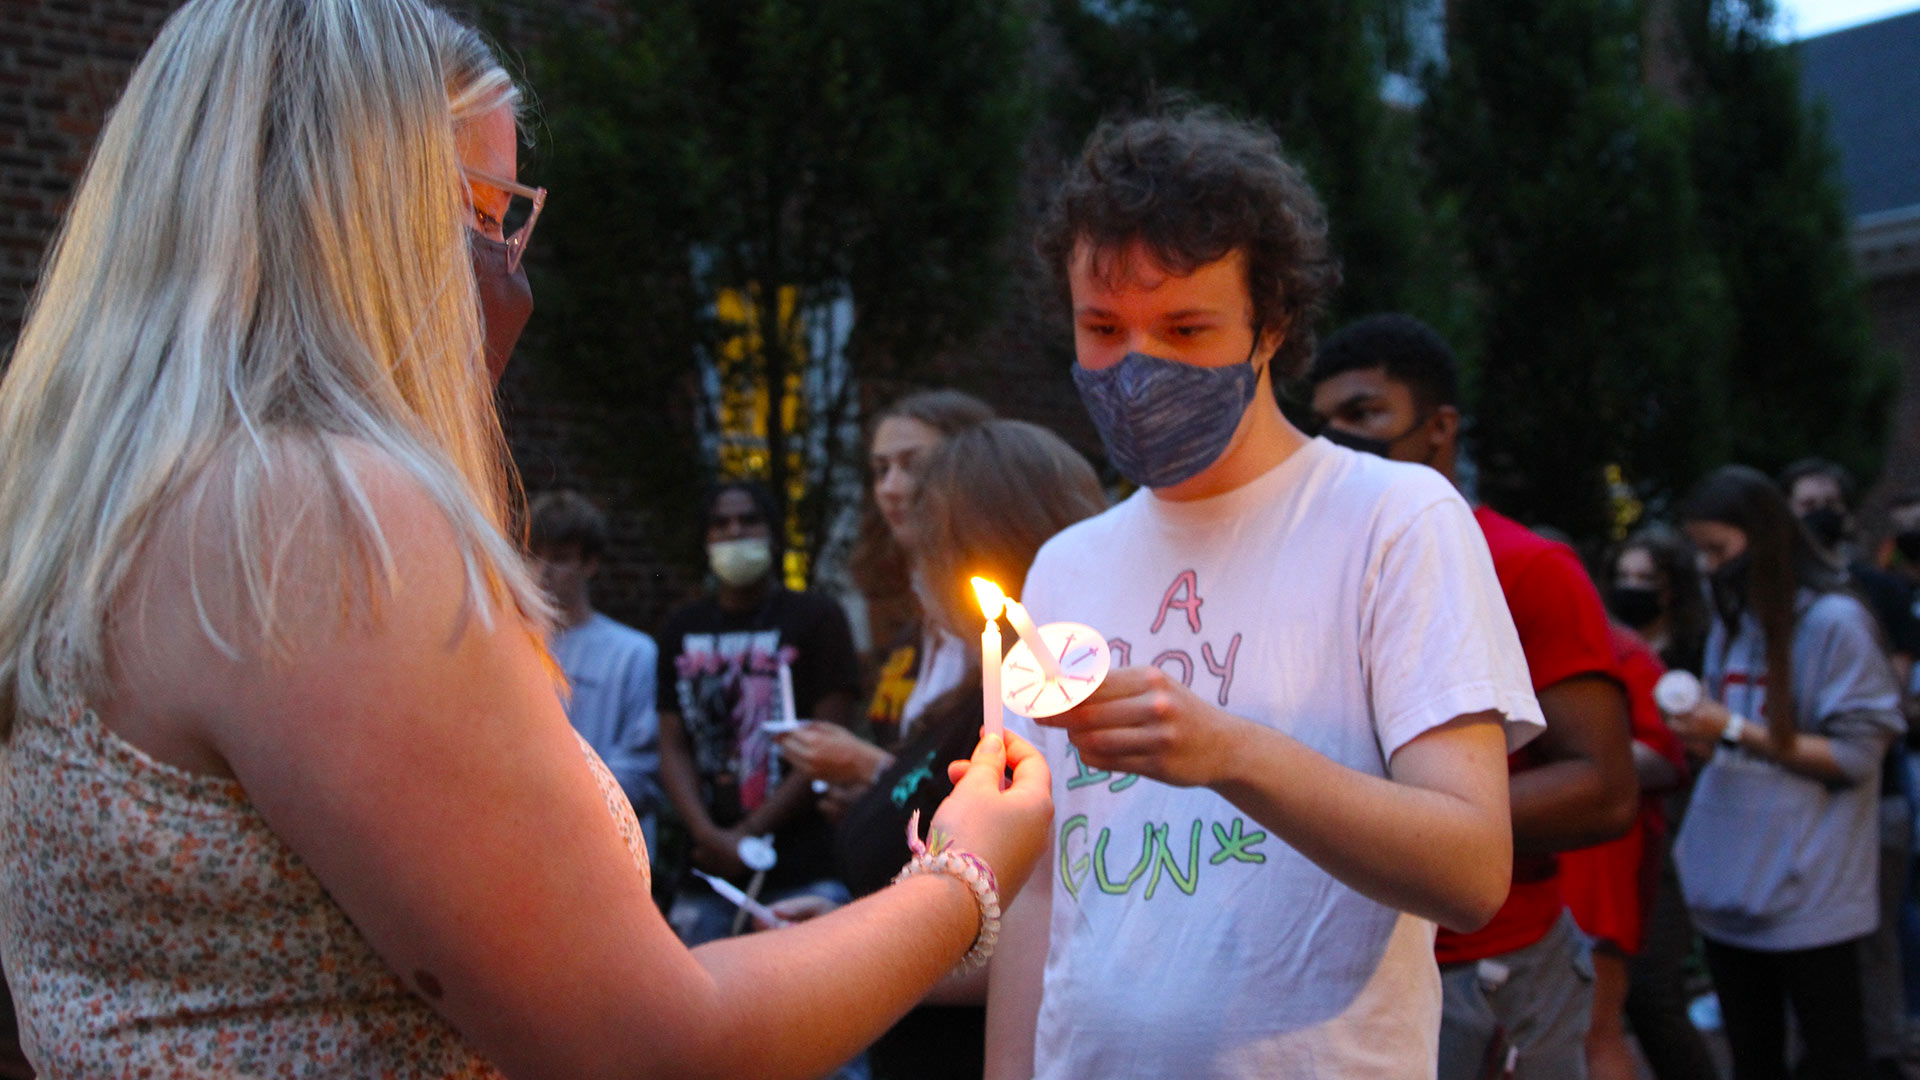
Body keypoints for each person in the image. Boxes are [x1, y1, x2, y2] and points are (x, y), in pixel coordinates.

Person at [0, 2, 1053, 1076]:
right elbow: (653, 1044)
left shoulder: (94, 507)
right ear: (367, 215)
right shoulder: (313, 519)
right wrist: (966, 874)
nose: (512, 276)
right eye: (491, 210)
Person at [987, 107, 1543, 1080]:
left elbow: (1470, 868)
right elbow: (1039, 892)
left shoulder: (1394, 521)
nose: (1135, 367)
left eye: (1186, 327)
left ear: (1271, 326)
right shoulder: (1064, 566)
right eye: (1102, 328)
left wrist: (1231, 753)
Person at [1310, 312, 1639, 1080]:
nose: (1335, 440)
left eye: (1363, 414)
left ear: (1439, 427)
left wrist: (1413, 827)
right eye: (1321, 421)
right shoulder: (1315, 564)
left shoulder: (1528, 567)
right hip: (1340, 970)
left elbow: (1605, 786)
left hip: (1489, 970)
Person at [779, 419, 1108, 1080]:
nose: (917, 576)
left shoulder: (1053, 714)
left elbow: (1048, 931)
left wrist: (844, 958)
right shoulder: (969, 694)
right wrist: (849, 925)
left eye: (927, 551)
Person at [1667, 465, 1904, 1080]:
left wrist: (1732, 730)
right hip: (1733, 882)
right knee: (1753, 1059)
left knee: (1832, 1057)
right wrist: (1703, 736)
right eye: (1699, 551)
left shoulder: (1835, 623)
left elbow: (1856, 756)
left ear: (1762, 538)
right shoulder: (1733, 621)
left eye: (1717, 549)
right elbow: (1732, 737)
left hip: (1808, 888)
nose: (1706, 566)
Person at [656, 480, 867, 944]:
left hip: (802, 867)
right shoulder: (681, 628)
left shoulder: (816, 618)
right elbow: (672, 743)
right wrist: (709, 835)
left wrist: (750, 832)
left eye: (748, 520)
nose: (735, 532)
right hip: (706, 870)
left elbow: (829, 737)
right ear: (705, 538)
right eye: (721, 523)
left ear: (772, 532)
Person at [786, 391, 996, 805]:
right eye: (881, 469)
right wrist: (868, 798)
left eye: (913, 465)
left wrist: (870, 769)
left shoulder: (998, 612)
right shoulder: (909, 622)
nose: (890, 488)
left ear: (970, 468)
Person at [1780, 457, 1920, 1078]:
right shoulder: (1776, 595)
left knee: (1875, 933)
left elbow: (1893, 701)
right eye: (1805, 501)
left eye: (1828, 499)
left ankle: (1883, 1050)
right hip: (1800, 796)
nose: (1818, 511)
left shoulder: (1879, 590)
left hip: (1876, 792)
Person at [1600, 528, 1723, 1080]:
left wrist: (1586, 760)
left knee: (1649, 997)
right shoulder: (1611, 645)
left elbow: (1671, 754)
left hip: (1668, 836)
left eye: (1646, 579)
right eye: (1624, 577)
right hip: (1616, 849)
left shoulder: (1681, 653)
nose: (1633, 589)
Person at [529, 489, 662, 852]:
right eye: (532, 558)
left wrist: (568, 805)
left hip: (610, 848)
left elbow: (640, 764)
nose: (542, 573)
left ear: (590, 564)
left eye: (558, 559)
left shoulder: (631, 652)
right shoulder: (512, 647)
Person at [1607, 524, 1712, 677]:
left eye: (1645, 578)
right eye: (1623, 576)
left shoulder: (1697, 653)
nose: (1631, 586)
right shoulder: (1609, 651)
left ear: (1671, 588)